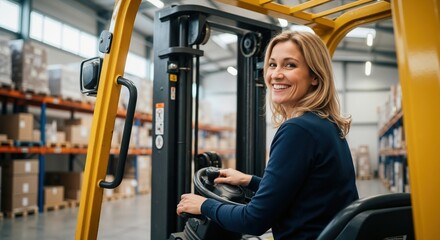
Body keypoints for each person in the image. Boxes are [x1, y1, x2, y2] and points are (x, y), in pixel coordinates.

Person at [176, 31, 359, 239]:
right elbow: (303, 191)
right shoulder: (325, 124)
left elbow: (253, 221)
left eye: (290, 65)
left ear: (315, 76)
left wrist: (204, 205)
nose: (276, 74)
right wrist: (249, 181)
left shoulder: (298, 130)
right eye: (272, 65)